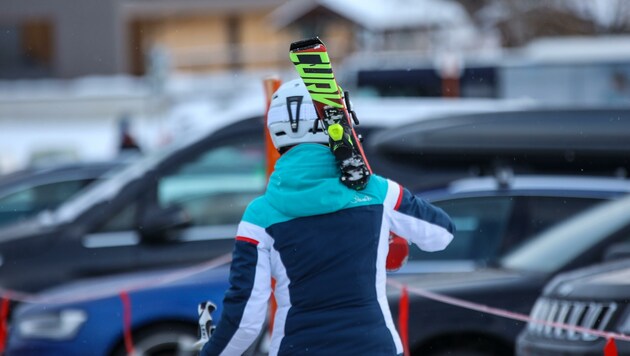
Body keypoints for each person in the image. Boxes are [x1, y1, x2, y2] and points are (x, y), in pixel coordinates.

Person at [200, 79, 455, 356]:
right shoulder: (379, 193)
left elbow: (245, 321)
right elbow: (442, 235)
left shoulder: (259, 216)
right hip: (374, 347)